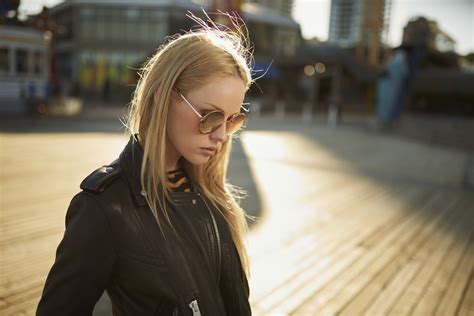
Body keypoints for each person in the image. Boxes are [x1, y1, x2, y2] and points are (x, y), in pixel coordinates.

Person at [36, 18, 254, 316]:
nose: (221, 134)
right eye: (210, 116)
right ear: (165, 97)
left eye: (232, 120)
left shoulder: (212, 195)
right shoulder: (106, 206)